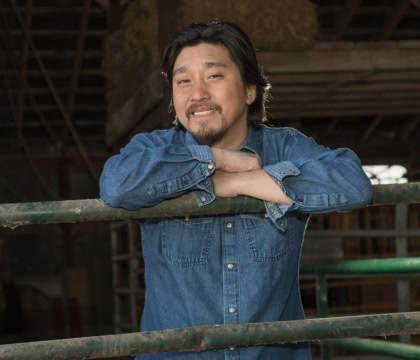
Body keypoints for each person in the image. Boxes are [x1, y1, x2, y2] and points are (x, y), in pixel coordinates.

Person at [100, 22, 372, 359]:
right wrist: (214, 160)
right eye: (183, 80)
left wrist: (237, 182)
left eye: (213, 76)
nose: (197, 93)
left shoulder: (284, 146)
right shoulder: (155, 150)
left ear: (249, 90)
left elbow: (353, 183)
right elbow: (116, 185)